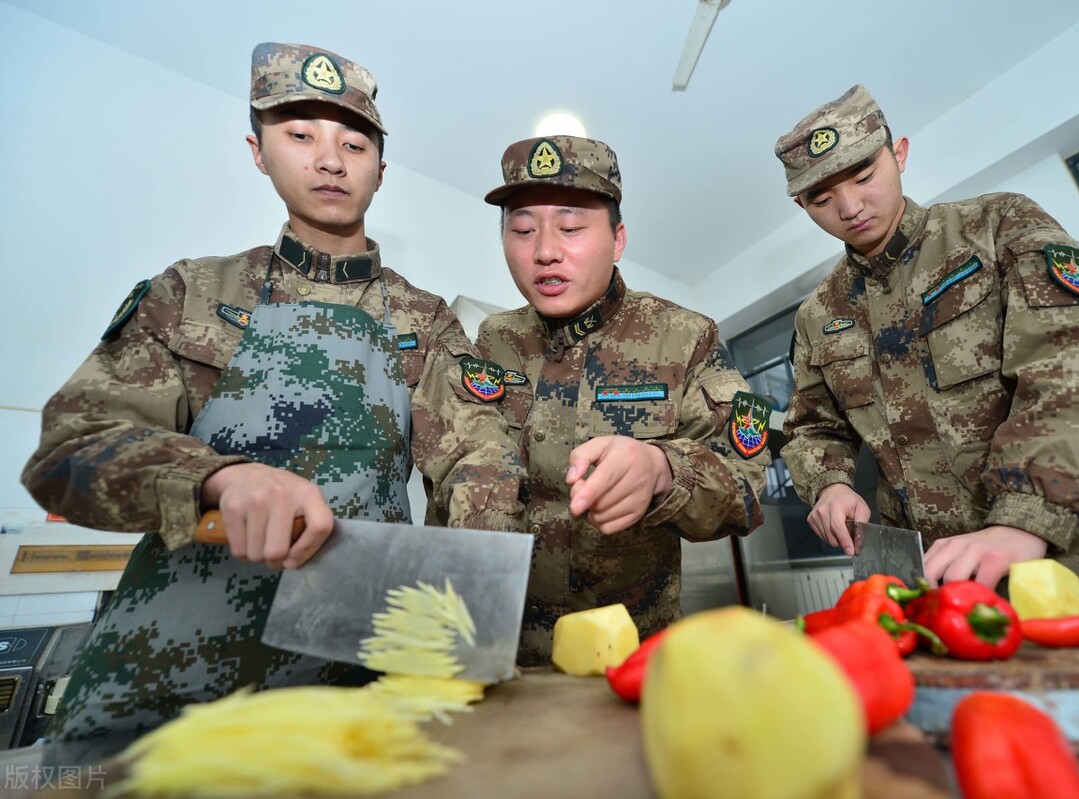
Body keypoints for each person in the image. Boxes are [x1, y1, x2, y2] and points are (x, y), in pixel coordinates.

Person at [21, 42, 527, 764]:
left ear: (380, 171)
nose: (329, 160)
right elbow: (68, 450)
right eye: (300, 136)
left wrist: (464, 629)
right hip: (165, 687)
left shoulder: (426, 318)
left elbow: (480, 456)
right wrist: (217, 476)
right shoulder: (193, 292)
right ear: (258, 152)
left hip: (354, 693)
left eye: (353, 143)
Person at [774, 84, 1079, 601]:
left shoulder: (998, 225)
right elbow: (812, 426)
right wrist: (830, 484)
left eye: (864, 176)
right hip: (946, 582)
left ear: (899, 153)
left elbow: (1077, 359)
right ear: (802, 204)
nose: (851, 205)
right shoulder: (818, 314)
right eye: (822, 197)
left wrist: (1024, 519)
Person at [473, 135, 770, 665]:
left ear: (618, 239)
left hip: (629, 660)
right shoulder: (491, 342)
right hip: (502, 653)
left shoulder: (684, 336)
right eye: (522, 229)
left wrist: (662, 470)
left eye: (570, 227)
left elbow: (747, 482)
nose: (545, 250)